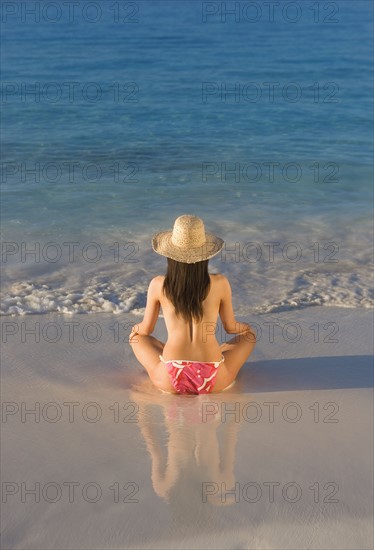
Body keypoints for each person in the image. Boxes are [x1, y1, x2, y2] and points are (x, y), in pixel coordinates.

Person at [129, 214, 256, 394]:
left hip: (170, 376)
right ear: (205, 254)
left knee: (137, 338)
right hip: (214, 377)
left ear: (170, 254)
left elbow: (146, 330)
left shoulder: (158, 284)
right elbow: (230, 327)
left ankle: (178, 357)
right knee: (248, 336)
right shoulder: (220, 283)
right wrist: (246, 328)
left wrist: (136, 328)